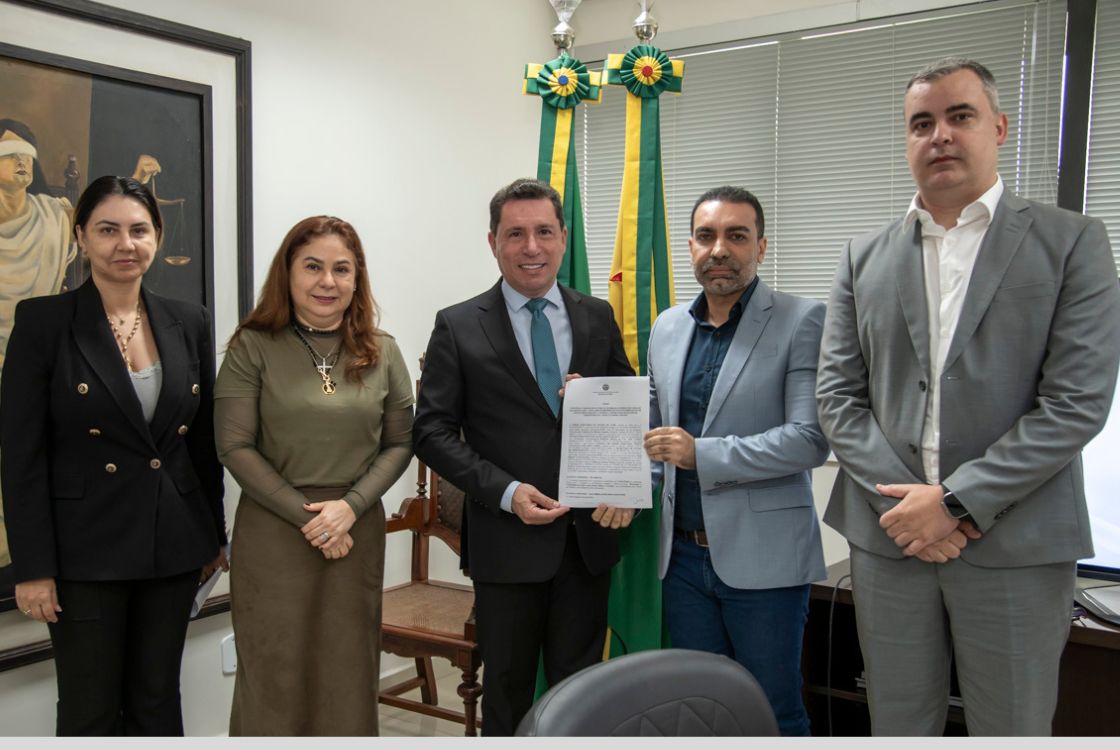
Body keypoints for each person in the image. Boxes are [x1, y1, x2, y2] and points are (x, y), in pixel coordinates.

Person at [816, 57, 1120, 736]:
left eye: (960, 116)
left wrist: (953, 503)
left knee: (1010, 728)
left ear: (1000, 127)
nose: (940, 136)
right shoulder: (862, 258)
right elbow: (837, 397)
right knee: (897, 724)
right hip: (890, 541)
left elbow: (1076, 402)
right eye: (922, 123)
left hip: (1016, 543)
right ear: (907, 141)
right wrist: (911, 511)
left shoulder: (1072, 242)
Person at [1, 175, 227, 735]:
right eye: (108, 230)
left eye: (138, 230)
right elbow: (20, 454)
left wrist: (212, 536)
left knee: (157, 701)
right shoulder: (43, 322)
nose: (125, 244)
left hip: (172, 547)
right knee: (89, 707)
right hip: (83, 552)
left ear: (156, 237)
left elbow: (202, 442)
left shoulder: (188, 320)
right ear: (81, 237)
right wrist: (32, 568)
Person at [413, 178, 635, 736]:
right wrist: (507, 493)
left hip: (586, 542)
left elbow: (632, 410)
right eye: (516, 234)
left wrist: (599, 400)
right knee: (507, 694)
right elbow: (432, 432)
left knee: (579, 692)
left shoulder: (596, 317)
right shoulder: (459, 325)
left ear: (563, 238)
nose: (531, 246)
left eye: (543, 232)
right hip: (506, 545)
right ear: (493, 242)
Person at [214, 215, 413, 736]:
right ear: (288, 273)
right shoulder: (251, 346)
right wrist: (310, 519)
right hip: (274, 530)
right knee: (272, 671)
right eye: (313, 267)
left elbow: (399, 443)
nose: (328, 281)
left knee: (347, 671)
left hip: (356, 527)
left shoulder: (383, 349)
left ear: (357, 279)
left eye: (342, 269)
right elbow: (234, 445)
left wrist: (348, 508)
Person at [643, 186, 829, 736]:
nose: (719, 249)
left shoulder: (802, 319)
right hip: (681, 561)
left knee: (772, 711)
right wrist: (593, 405)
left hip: (766, 563)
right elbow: (655, 438)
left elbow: (809, 439)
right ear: (692, 246)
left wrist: (701, 454)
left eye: (736, 236)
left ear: (761, 247)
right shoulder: (667, 326)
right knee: (699, 710)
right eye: (706, 236)